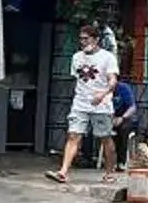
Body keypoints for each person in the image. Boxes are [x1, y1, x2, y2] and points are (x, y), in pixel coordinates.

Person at [50, 22, 117, 184]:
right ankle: (63, 171)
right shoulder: (76, 57)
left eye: (86, 39)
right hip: (80, 102)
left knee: (105, 138)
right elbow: (77, 79)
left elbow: (113, 80)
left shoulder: (107, 57)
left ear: (96, 39)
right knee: (73, 135)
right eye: (81, 39)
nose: (83, 42)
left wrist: (104, 93)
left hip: (101, 104)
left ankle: (109, 172)